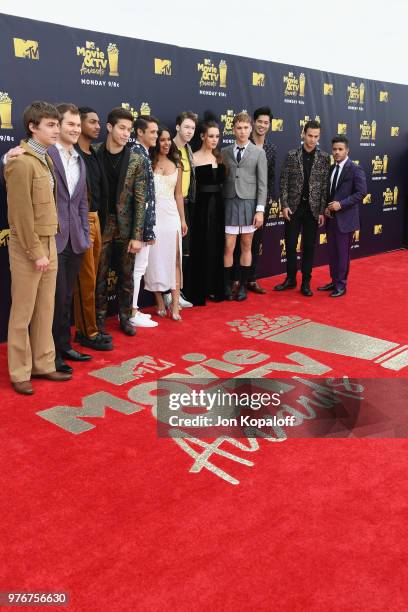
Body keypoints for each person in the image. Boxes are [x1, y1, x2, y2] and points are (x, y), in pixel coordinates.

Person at [4, 101, 71, 394]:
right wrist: (36, 252)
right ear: (33, 127)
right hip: (28, 247)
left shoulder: (46, 157)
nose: (57, 130)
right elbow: (19, 216)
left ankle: (43, 364)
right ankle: (19, 371)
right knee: (23, 312)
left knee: (45, 308)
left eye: (58, 124)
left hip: (48, 241)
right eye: (51, 125)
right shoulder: (20, 161)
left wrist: (47, 248)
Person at [93, 107, 147, 336]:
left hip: (125, 229)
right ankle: (98, 320)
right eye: (122, 128)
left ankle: (126, 317)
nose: (127, 134)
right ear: (109, 127)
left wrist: (137, 236)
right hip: (100, 225)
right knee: (99, 276)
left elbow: (140, 199)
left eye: (129, 130)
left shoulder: (136, 158)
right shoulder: (94, 153)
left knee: (126, 276)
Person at [47, 103, 90, 373]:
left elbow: (82, 201)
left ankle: (63, 345)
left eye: (77, 124)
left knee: (66, 297)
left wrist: (85, 234)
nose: (75, 129)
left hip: (76, 239)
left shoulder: (79, 158)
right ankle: (49, 353)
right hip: (52, 238)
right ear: (57, 125)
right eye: (70, 124)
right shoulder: (46, 154)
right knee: (54, 297)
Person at [73, 106, 113, 351]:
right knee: (85, 279)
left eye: (99, 122)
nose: (97, 126)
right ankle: (88, 332)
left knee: (93, 277)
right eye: (92, 122)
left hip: (97, 218)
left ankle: (86, 329)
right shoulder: (72, 155)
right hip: (81, 219)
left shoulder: (95, 153)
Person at [275, 120, 329, 296]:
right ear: (303, 134)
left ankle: (306, 282)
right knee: (290, 245)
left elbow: (324, 188)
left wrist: (321, 211)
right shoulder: (292, 155)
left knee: (309, 246)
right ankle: (291, 279)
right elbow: (283, 182)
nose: (312, 140)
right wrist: (284, 205)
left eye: (316, 137)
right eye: (310, 135)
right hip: (293, 208)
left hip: (312, 210)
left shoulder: (324, 158)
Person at [222, 111, 267, 301]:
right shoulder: (224, 151)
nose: (242, 131)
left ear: (251, 129)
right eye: (239, 128)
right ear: (233, 129)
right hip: (230, 203)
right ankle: (226, 285)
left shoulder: (258, 152)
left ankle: (242, 286)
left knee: (247, 245)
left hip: (249, 204)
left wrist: (260, 211)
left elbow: (263, 184)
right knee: (228, 247)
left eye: (246, 128)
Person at [144, 125, 187, 320]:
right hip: (152, 217)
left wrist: (183, 219)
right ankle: (159, 300)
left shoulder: (177, 164)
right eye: (162, 139)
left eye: (169, 139)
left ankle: (175, 305)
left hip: (171, 217)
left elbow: (179, 195)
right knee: (153, 259)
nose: (166, 143)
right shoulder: (147, 163)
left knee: (175, 259)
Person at [233, 106, 276, 294]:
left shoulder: (271, 149)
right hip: (241, 199)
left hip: (260, 202)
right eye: (259, 121)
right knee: (237, 242)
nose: (262, 125)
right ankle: (236, 279)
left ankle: (251, 279)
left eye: (266, 123)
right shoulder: (242, 142)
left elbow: (271, 176)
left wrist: (265, 203)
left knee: (255, 242)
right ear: (252, 124)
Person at [318, 135, 367, 297]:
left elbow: (361, 193)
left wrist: (341, 204)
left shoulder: (355, 169)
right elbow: (330, 193)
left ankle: (341, 285)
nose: (337, 152)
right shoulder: (332, 169)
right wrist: (327, 208)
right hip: (331, 219)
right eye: (334, 149)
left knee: (342, 254)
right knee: (332, 253)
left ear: (347, 150)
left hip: (345, 220)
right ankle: (334, 281)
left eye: (340, 149)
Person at [190, 114, 225, 305]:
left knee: (216, 246)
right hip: (201, 207)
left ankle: (214, 288)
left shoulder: (219, 156)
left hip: (218, 206)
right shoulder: (193, 157)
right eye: (211, 136)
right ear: (202, 136)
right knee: (201, 246)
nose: (214, 140)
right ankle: (199, 290)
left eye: (217, 136)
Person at [128, 115, 159, 329]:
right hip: (138, 225)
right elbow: (137, 196)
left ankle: (134, 309)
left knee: (140, 268)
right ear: (140, 132)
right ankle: (132, 311)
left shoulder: (144, 153)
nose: (156, 136)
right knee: (136, 269)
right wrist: (142, 231)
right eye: (153, 132)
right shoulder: (136, 153)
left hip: (145, 223)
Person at [168, 110, 197, 308]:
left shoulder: (189, 150)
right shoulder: (167, 148)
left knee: (184, 251)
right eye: (186, 127)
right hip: (169, 204)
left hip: (186, 203)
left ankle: (178, 292)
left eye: (193, 128)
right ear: (177, 127)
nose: (189, 131)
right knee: (170, 251)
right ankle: (168, 294)